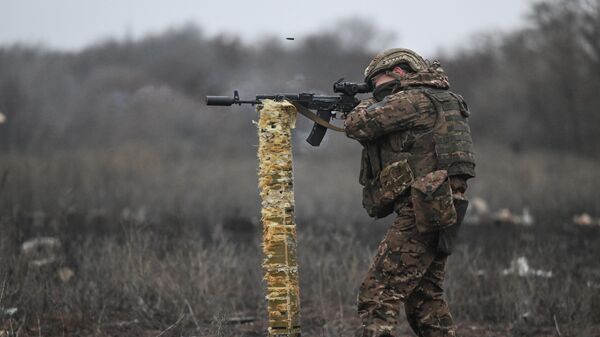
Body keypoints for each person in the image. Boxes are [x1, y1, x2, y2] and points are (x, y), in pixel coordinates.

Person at [344, 48, 475, 337]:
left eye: (375, 82)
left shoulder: (414, 99)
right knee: (424, 300)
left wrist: (354, 109)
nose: (374, 91)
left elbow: (359, 125)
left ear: (399, 73)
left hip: (425, 207)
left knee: (378, 294)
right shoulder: (442, 98)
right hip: (443, 205)